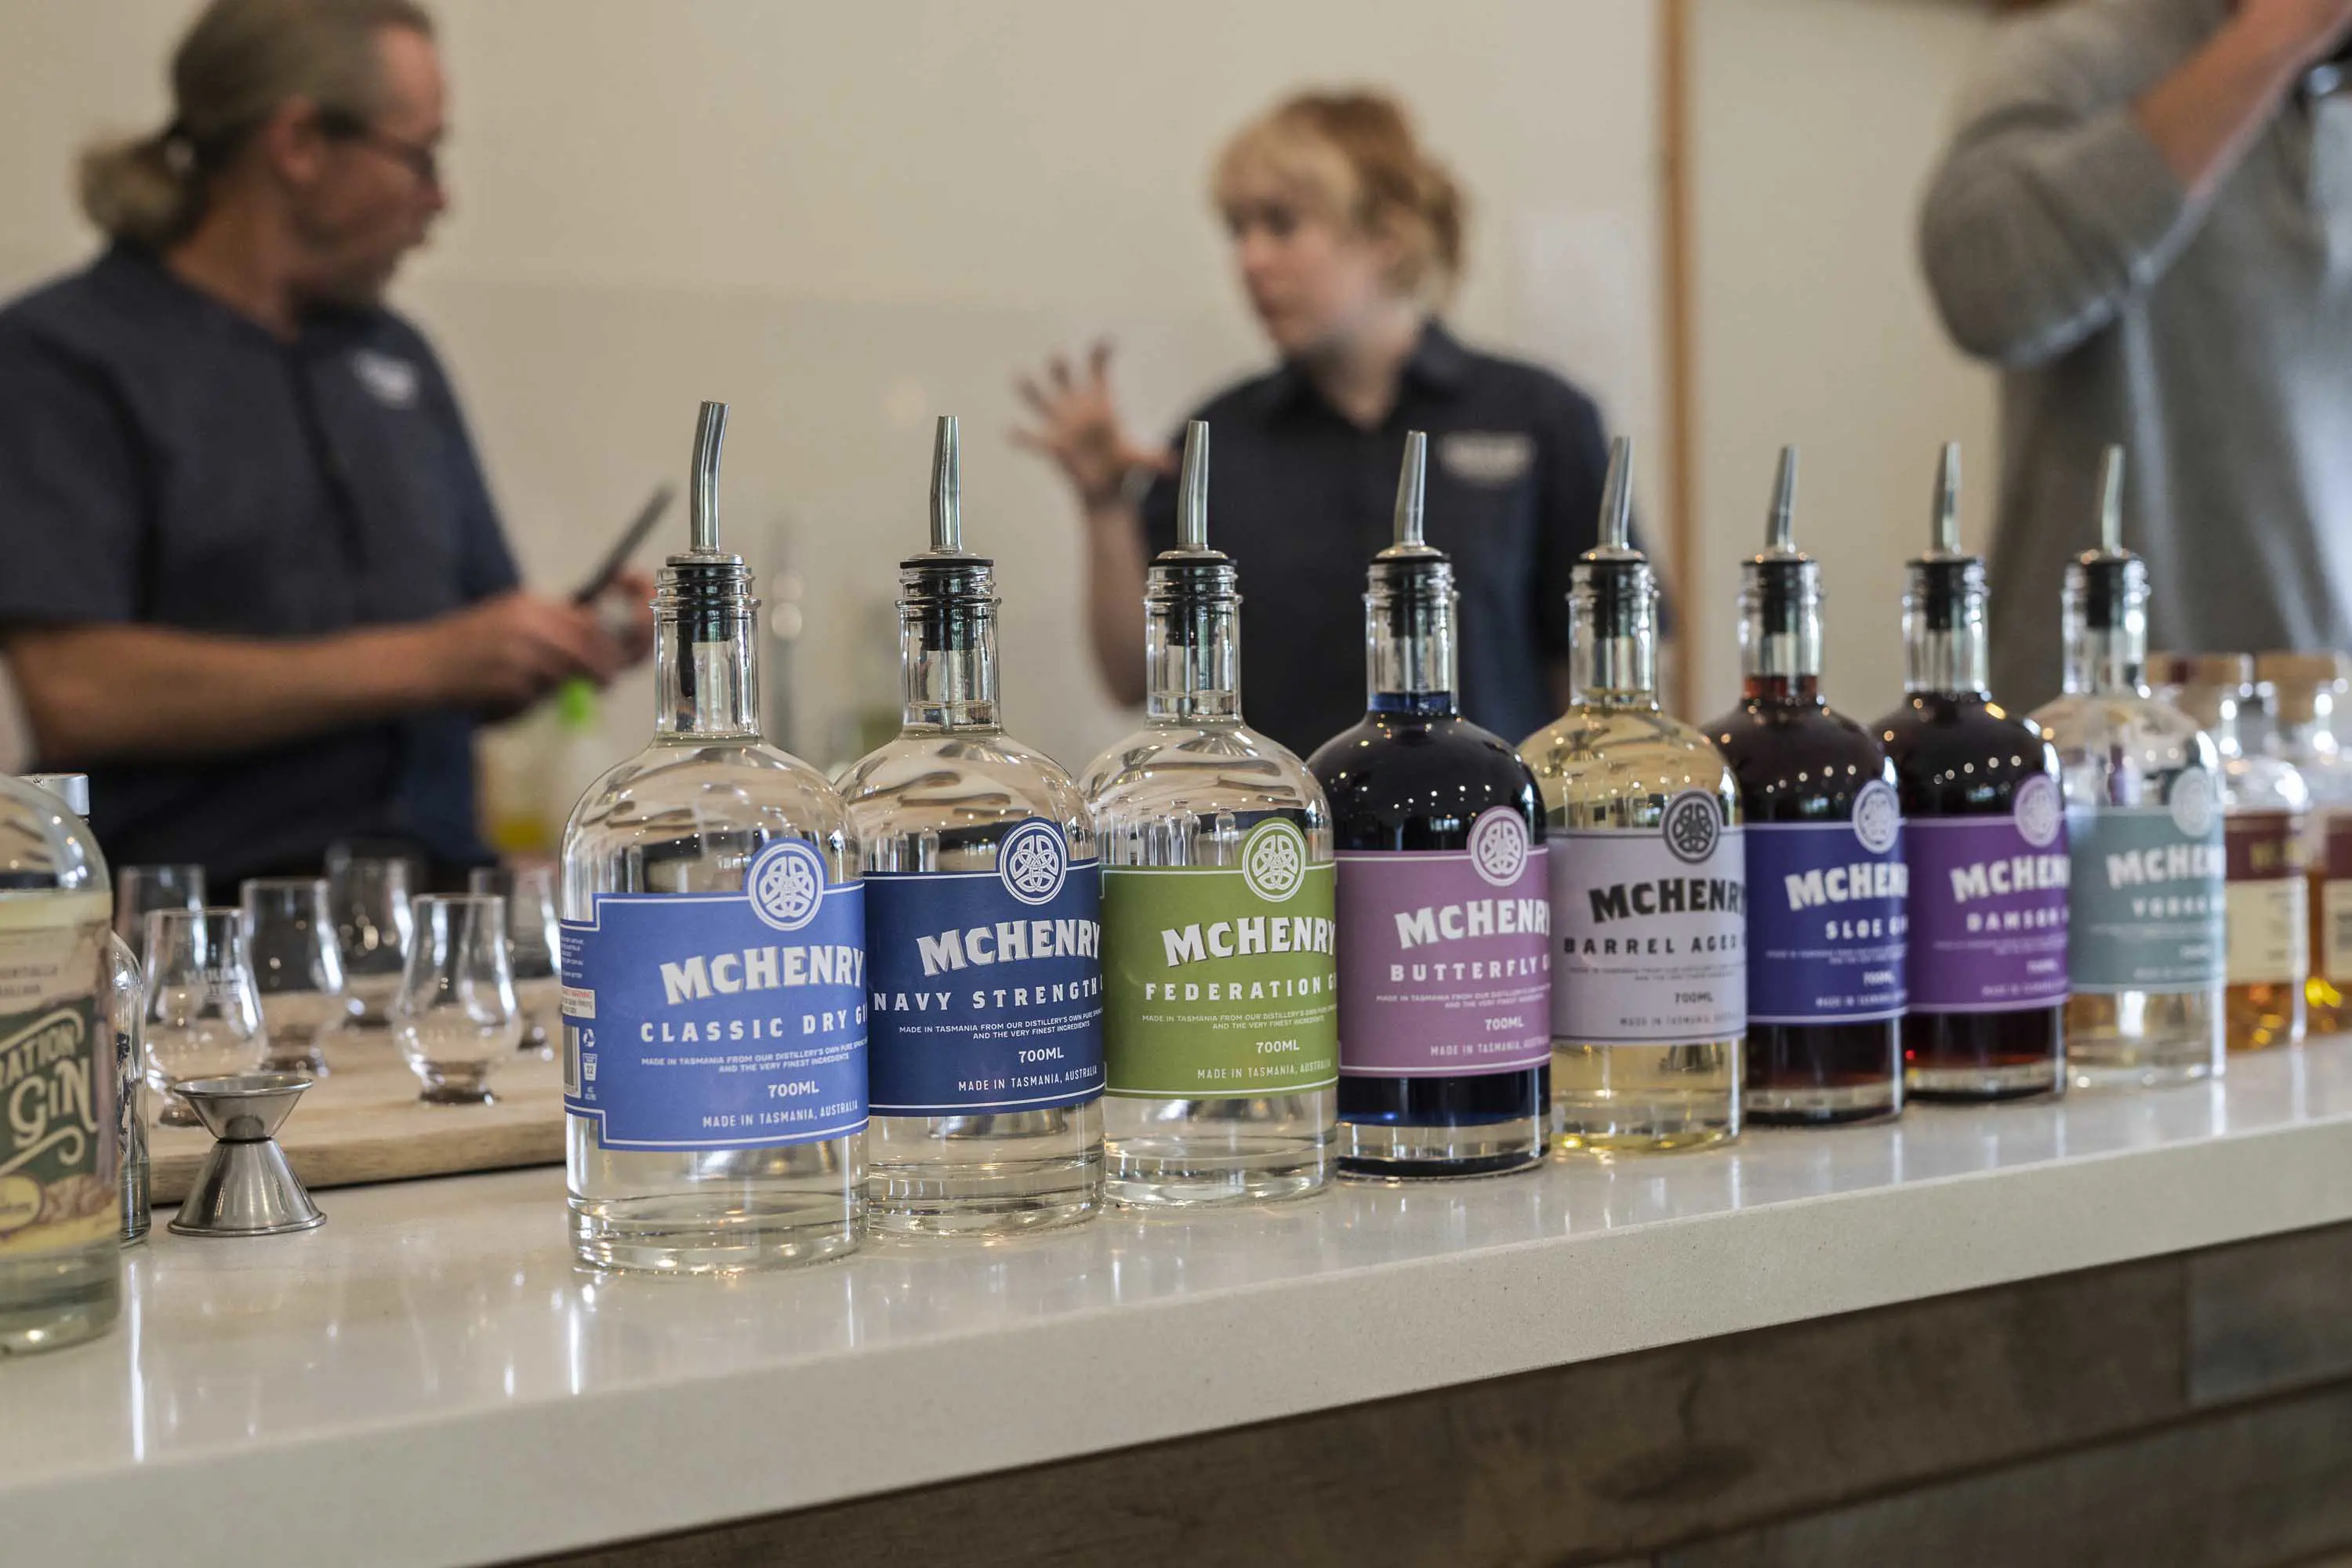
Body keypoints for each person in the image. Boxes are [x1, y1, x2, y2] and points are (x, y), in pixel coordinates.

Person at [0, 0, 652, 884]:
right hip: (201, 937)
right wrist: (427, 661)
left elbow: (472, 657)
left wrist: (560, 640)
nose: (439, 198)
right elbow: (78, 693)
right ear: (300, 143)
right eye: (419, 156)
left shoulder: (398, 360)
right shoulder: (67, 356)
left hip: (439, 919)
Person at [1015, 90, 1628, 757]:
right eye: (1237, 229)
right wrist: (1104, 506)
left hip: (1483, 844)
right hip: (1278, 848)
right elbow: (1131, 677)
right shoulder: (1215, 441)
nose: (1250, 260)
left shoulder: (1540, 418)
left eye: (1280, 225)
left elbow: (1601, 687)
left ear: (1385, 238)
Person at [1918, 0, 2352, 706]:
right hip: (2090, 747)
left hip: (2317, 745)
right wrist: (2279, 36)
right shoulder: (2080, 58)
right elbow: (1982, 285)